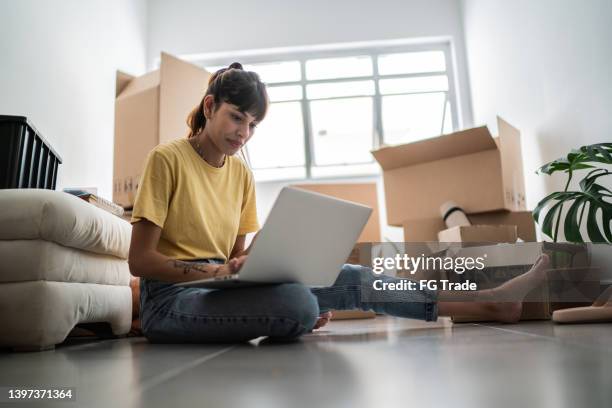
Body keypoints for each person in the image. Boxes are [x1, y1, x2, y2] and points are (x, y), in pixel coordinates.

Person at [127, 62, 550, 343]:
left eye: (253, 124)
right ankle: (290, 313)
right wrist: (220, 270)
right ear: (209, 107)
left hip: (219, 289)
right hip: (169, 301)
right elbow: (140, 261)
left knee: (353, 276)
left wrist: (249, 265)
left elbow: (236, 258)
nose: (244, 133)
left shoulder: (241, 175)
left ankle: (493, 301)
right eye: (237, 117)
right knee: (297, 304)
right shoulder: (167, 160)